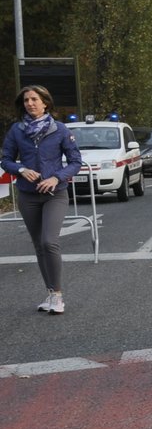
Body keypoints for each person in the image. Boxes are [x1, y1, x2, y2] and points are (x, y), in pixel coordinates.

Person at [1, 85, 83, 314]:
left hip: (54, 194)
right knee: (39, 246)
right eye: (26, 100)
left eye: (34, 99)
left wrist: (57, 178)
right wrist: (20, 169)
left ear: (45, 102)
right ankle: (49, 293)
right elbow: (5, 159)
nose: (30, 103)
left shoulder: (60, 130)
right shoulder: (17, 130)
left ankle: (57, 295)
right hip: (28, 195)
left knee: (49, 242)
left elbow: (76, 161)